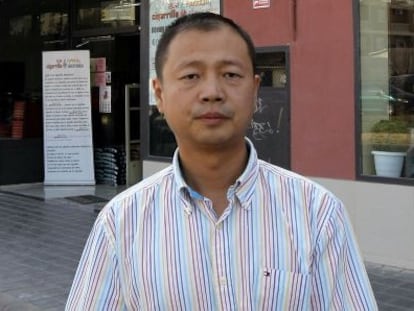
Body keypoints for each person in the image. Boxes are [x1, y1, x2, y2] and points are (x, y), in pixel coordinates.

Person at [66, 12, 378, 310]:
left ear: (255, 90)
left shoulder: (317, 213)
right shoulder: (121, 223)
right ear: (159, 94)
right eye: (191, 76)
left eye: (230, 74)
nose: (212, 92)